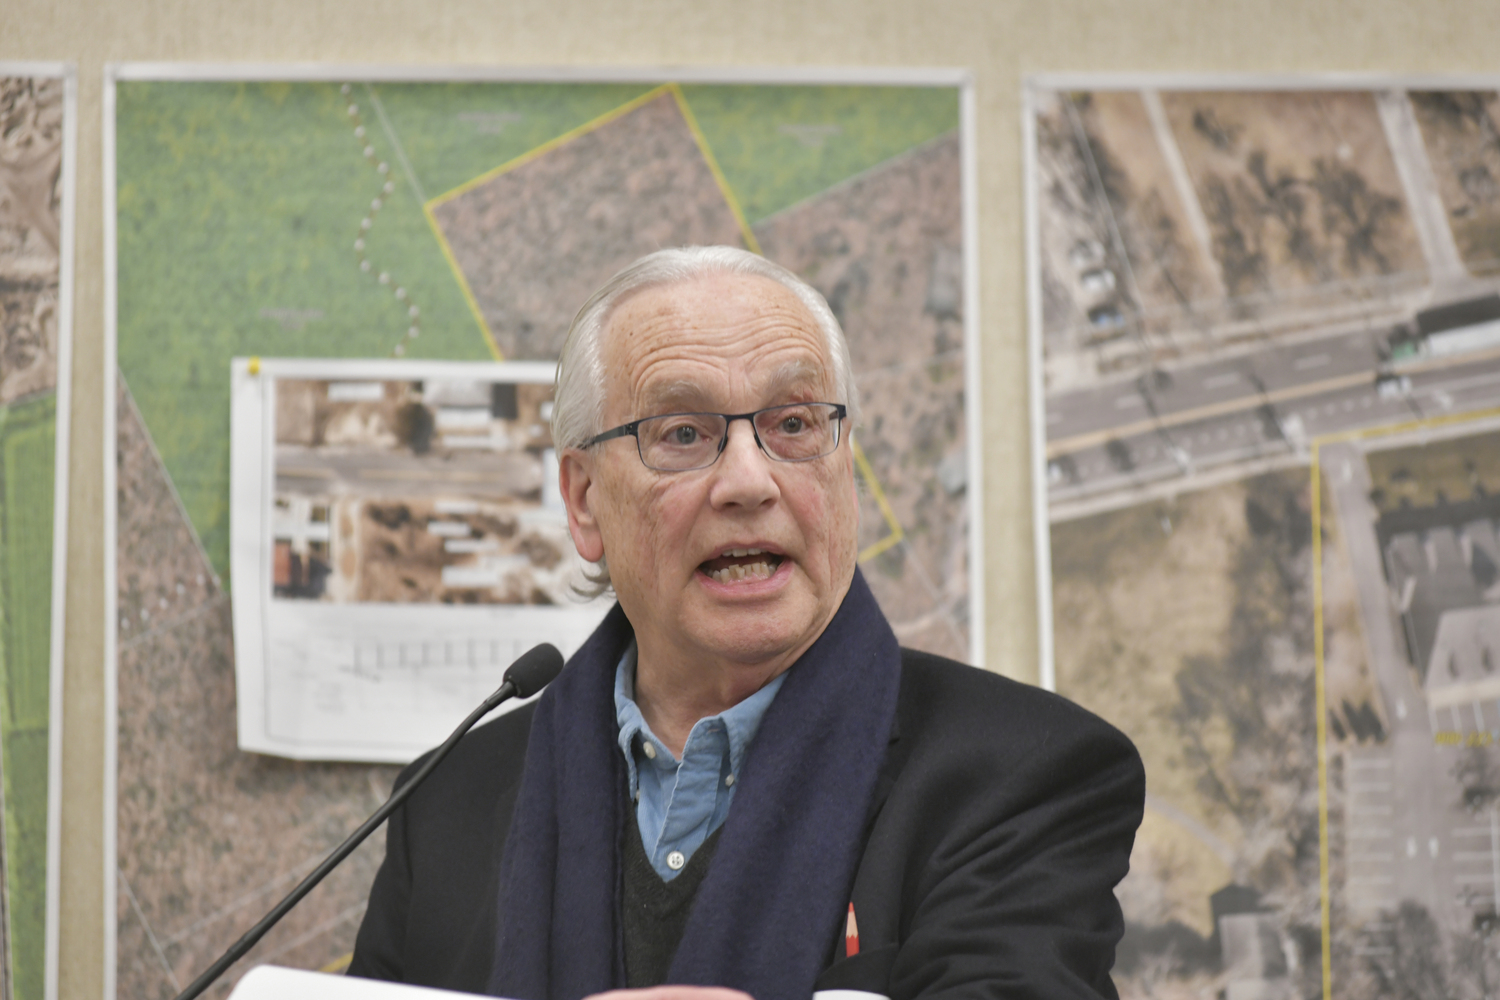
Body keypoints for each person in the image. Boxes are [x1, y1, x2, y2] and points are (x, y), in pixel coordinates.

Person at [348, 246, 1144, 1000]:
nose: (748, 481)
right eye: (684, 434)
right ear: (585, 500)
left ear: (846, 471)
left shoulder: (1022, 774)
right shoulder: (445, 801)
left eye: (794, 425)